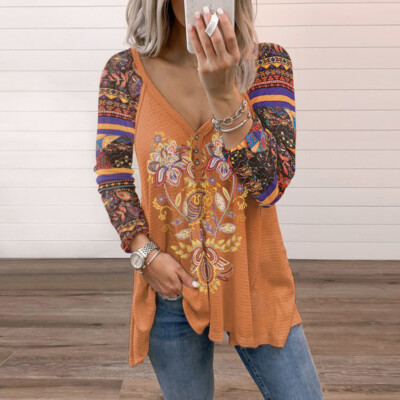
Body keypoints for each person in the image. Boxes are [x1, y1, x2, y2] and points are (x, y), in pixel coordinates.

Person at [93, 0, 324, 399]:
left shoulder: (268, 65)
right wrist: (144, 254)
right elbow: (112, 175)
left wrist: (224, 94)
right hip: (171, 286)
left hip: (256, 280)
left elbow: (271, 186)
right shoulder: (125, 72)